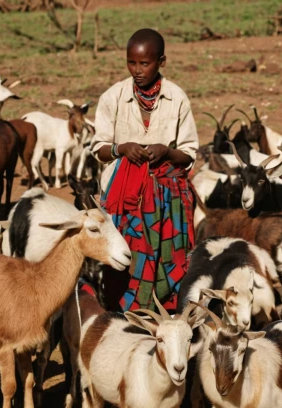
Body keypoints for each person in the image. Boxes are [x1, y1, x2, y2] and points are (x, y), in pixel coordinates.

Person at [91, 28, 199, 312]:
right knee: (122, 260)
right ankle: (122, 315)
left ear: (161, 61)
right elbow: (99, 149)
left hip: (167, 200)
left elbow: (188, 155)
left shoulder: (177, 98)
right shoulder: (112, 98)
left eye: (145, 63)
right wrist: (121, 148)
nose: (137, 70)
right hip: (122, 198)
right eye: (131, 63)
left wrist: (166, 151)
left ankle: (163, 316)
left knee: (168, 259)